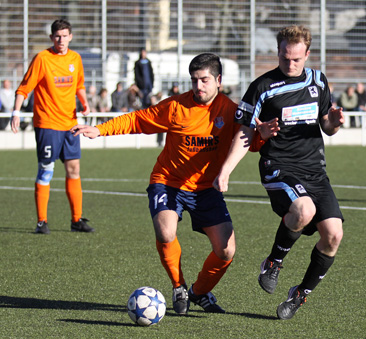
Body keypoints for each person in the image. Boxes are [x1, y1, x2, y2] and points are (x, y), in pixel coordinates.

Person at [71, 53, 278, 315]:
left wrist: (262, 136)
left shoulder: (231, 110)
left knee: (226, 251)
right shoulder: (175, 107)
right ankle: (178, 286)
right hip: (168, 182)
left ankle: (199, 292)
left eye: (204, 80)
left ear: (219, 80)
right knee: (166, 232)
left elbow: (248, 143)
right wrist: (101, 129)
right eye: (194, 81)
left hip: (206, 189)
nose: (198, 86)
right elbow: (138, 119)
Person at [213, 25, 345, 320]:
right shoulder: (262, 87)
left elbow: (326, 127)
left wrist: (335, 122)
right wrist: (226, 171)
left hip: (315, 171)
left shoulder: (318, 82)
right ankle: (273, 262)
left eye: (296, 59)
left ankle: (300, 294)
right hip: (279, 168)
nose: (290, 64)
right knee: (303, 210)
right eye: (285, 57)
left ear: (307, 54)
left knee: (334, 235)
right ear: (278, 52)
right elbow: (244, 132)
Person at [10, 19, 94, 234]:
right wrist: (16, 112)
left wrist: (85, 103)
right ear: (51, 38)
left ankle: (76, 220)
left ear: (70, 37)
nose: (61, 40)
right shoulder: (42, 59)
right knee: (46, 170)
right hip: (47, 123)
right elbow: (24, 88)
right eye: (57, 36)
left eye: (65, 36)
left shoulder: (75, 58)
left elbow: (80, 85)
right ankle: (42, 221)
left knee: (74, 169)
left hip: (70, 124)